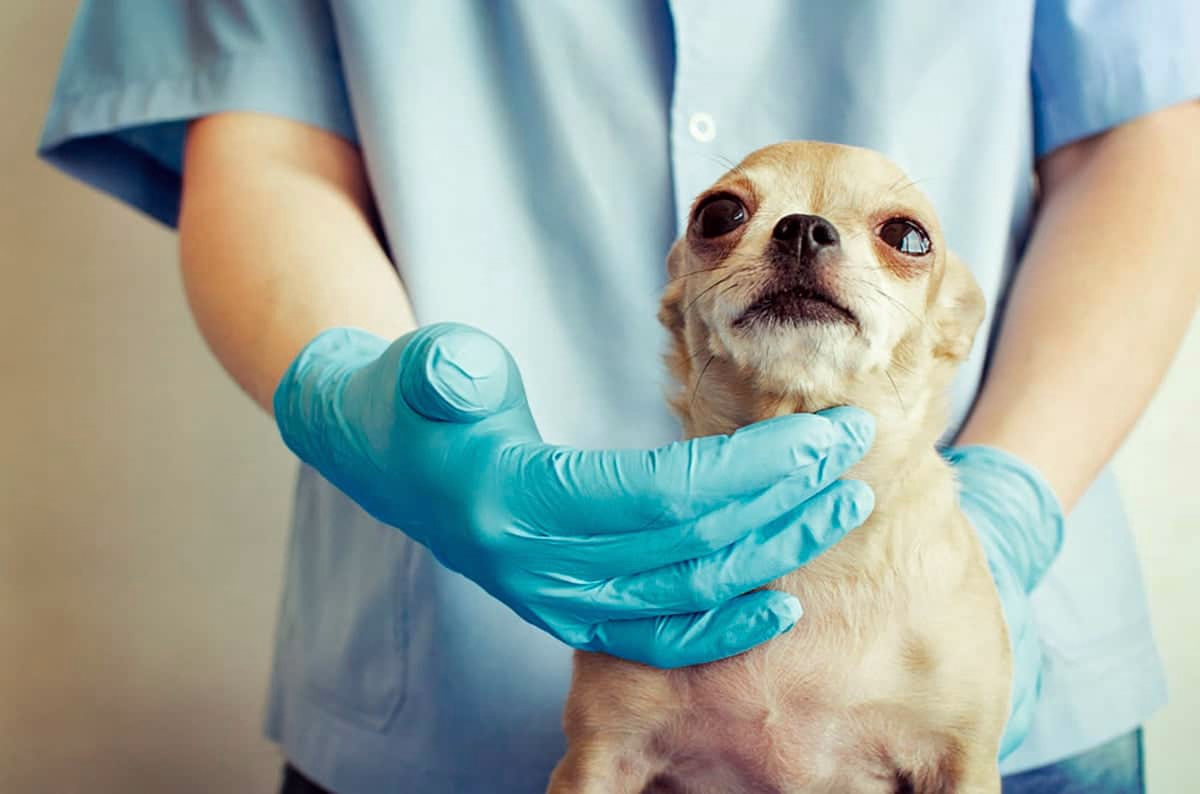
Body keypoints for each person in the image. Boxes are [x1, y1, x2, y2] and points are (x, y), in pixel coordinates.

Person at [39, 2, 1199, 793]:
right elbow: (261, 145)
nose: (802, 240)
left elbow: (1146, 132)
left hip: (1010, 694)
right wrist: (371, 405)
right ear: (677, 295)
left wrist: (1017, 491)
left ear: (950, 310)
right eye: (726, 219)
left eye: (896, 237)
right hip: (448, 680)